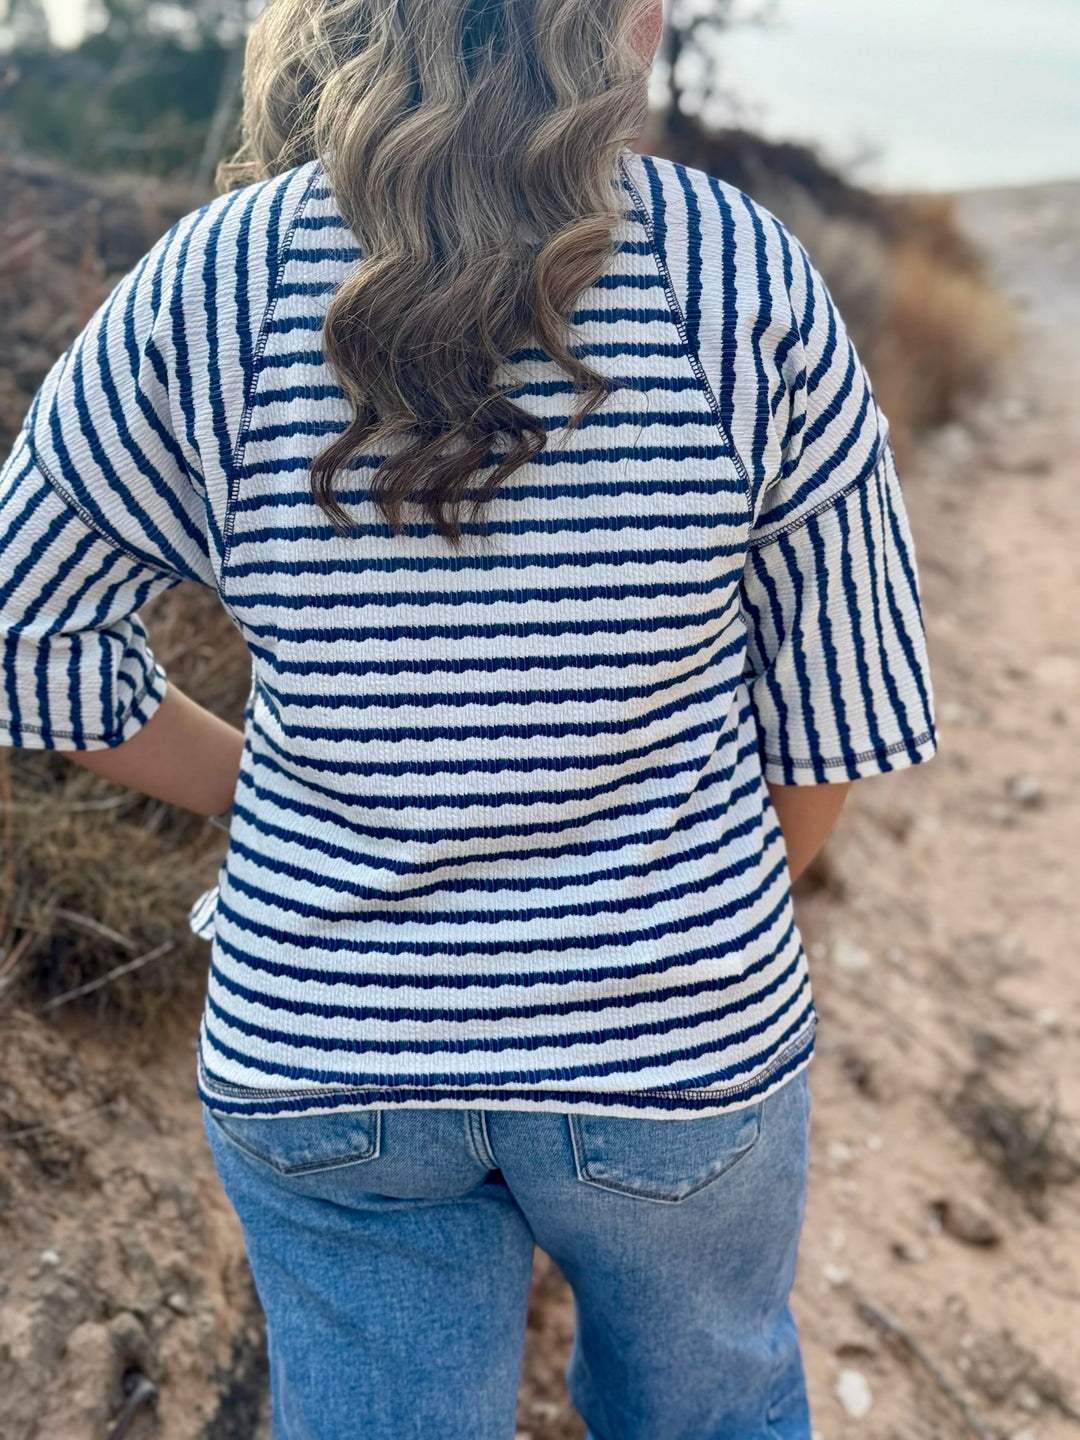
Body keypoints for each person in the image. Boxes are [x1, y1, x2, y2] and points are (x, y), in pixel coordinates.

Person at [0, 0, 938, 1433]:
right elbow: (838, 710)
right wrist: (692, 911)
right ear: (625, 16)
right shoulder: (735, 271)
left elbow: (25, 633)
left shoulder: (215, 280)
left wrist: (272, 796)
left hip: (327, 1052)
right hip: (678, 1035)